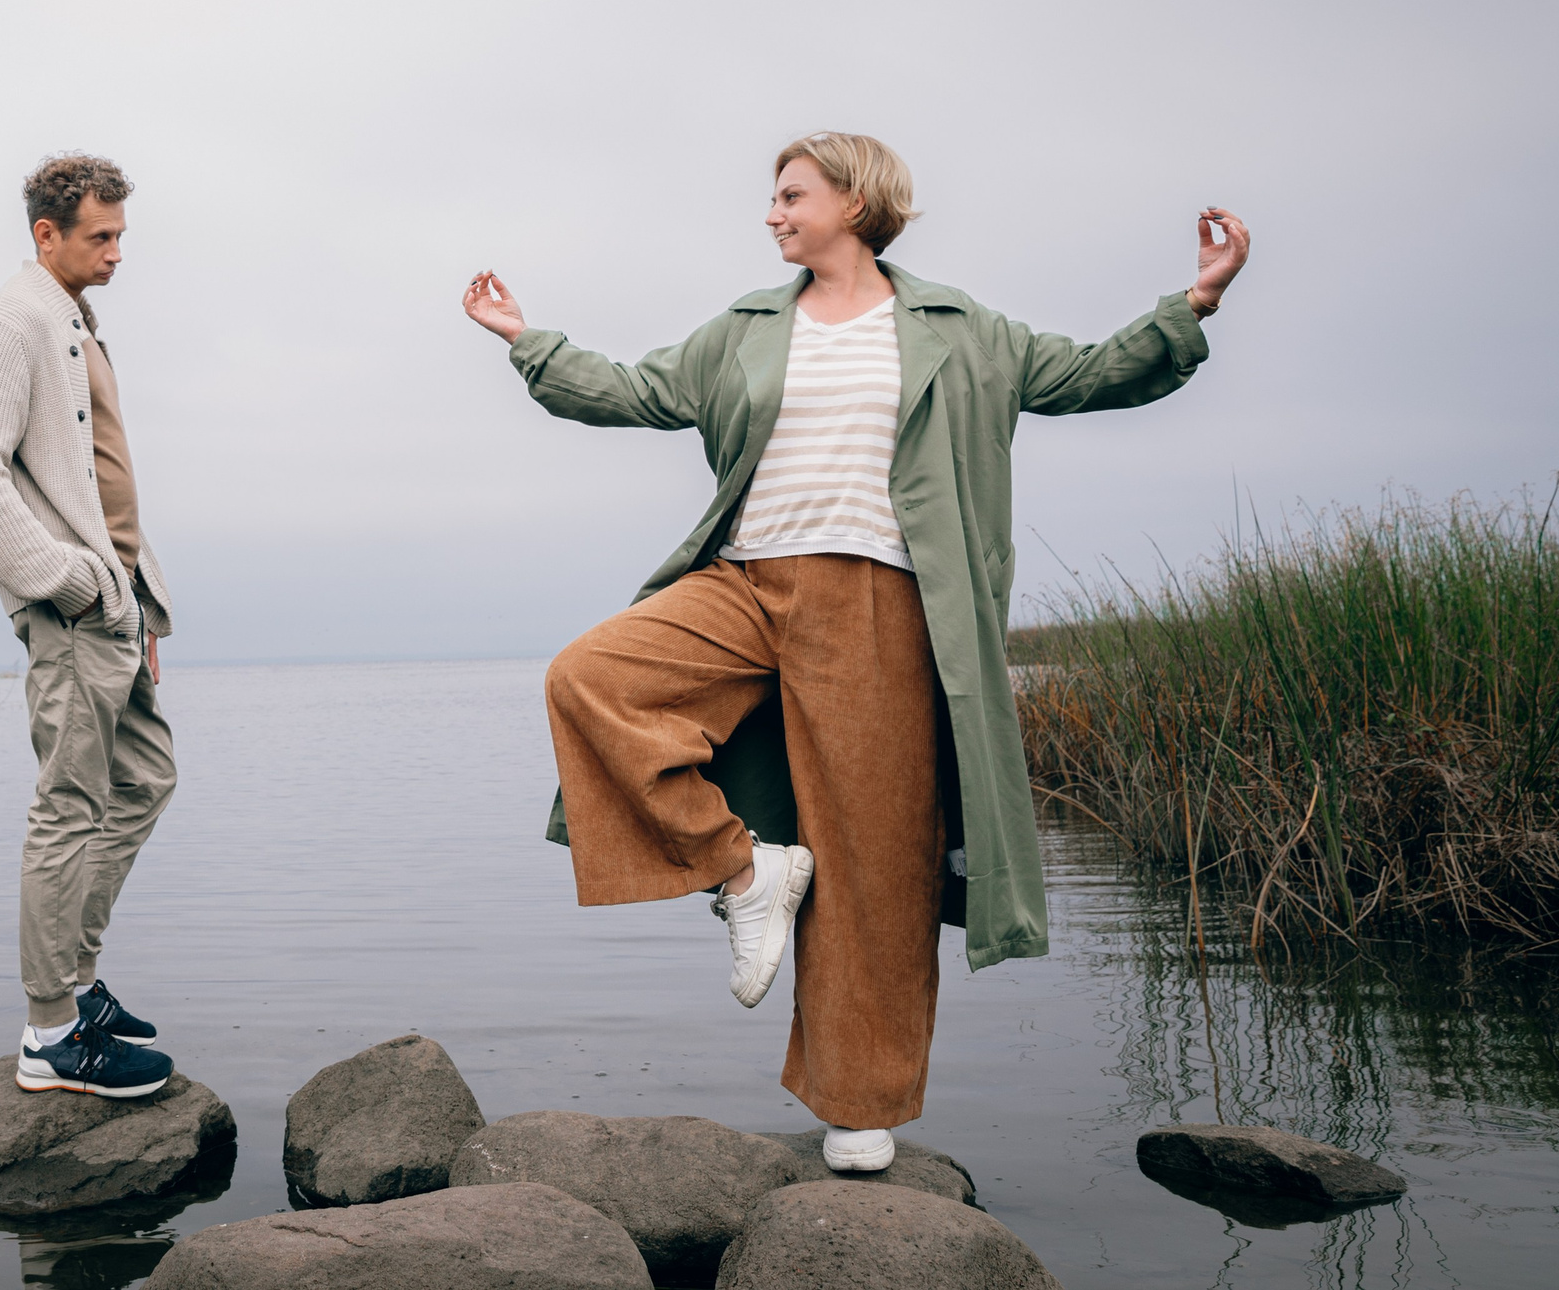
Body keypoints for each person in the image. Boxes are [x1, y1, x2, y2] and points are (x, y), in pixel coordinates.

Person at [462, 131, 1248, 1172]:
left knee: (875, 862)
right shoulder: (746, 327)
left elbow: (1087, 374)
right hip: (744, 580)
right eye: (774, 197)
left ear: (853, 198)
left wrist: (1192, 303)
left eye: (791, 194)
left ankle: (860, 1101)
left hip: (879, 597)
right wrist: (527, 340)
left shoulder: (962, 328)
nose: (774, 212)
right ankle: (743, 870)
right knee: (592, 676)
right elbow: (638, 391)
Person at [0, 152, 179, 1098]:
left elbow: (96, 477)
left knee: (147, 779)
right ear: (47, 234)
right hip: (77, 613)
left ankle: (77, 983)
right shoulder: (18, 319)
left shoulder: (74, 319)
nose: (118, 252)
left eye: (121, 234)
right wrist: (69, 582)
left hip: (117, 607)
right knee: (70, 807)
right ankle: (49, 1033)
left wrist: (137, 595)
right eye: (101, 235)